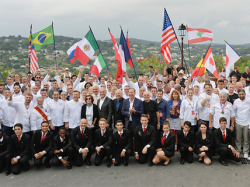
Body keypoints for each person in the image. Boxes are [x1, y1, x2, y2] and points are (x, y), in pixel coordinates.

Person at [233, 89, 250, 158]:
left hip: (247, 122)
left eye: (242, 94)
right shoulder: (236, 102)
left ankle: (246, 152)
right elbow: (234, 112)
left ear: (245, 94)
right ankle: (238, 150)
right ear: (238, 95)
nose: (241, 95)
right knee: (238, 138)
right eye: (240, 94)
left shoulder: (249, 100)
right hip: (238, 122)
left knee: (246, 139)